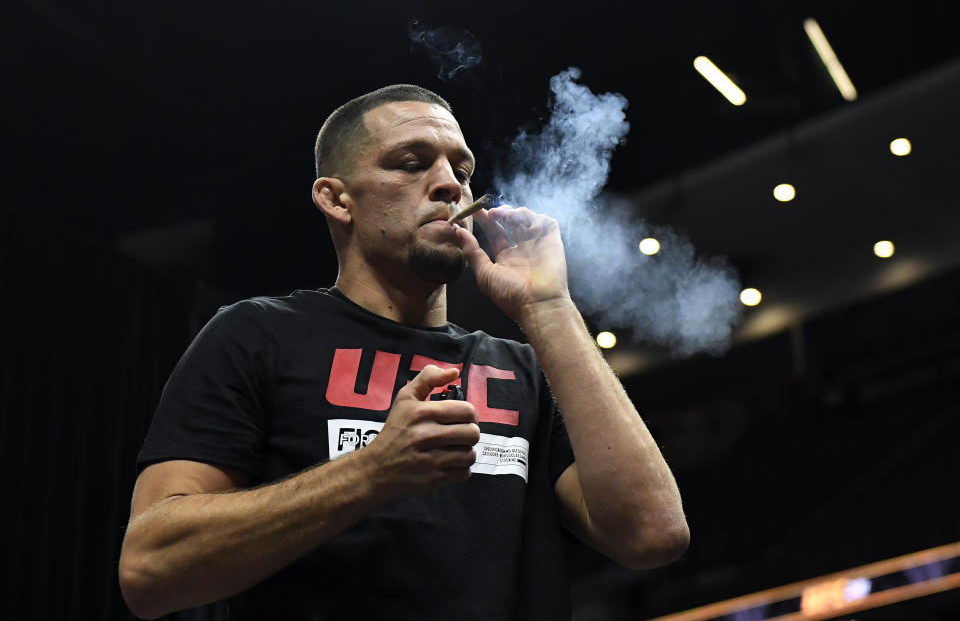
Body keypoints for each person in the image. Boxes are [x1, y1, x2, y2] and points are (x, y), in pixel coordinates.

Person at [118, 84, 689, 620]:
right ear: (336, 199)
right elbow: (151, 569)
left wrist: (548, 306)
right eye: (412, 164)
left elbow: (653, 535)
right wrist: (370, 473)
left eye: (461, 169)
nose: (450, 185)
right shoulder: (256, 334)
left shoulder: (523, 369)